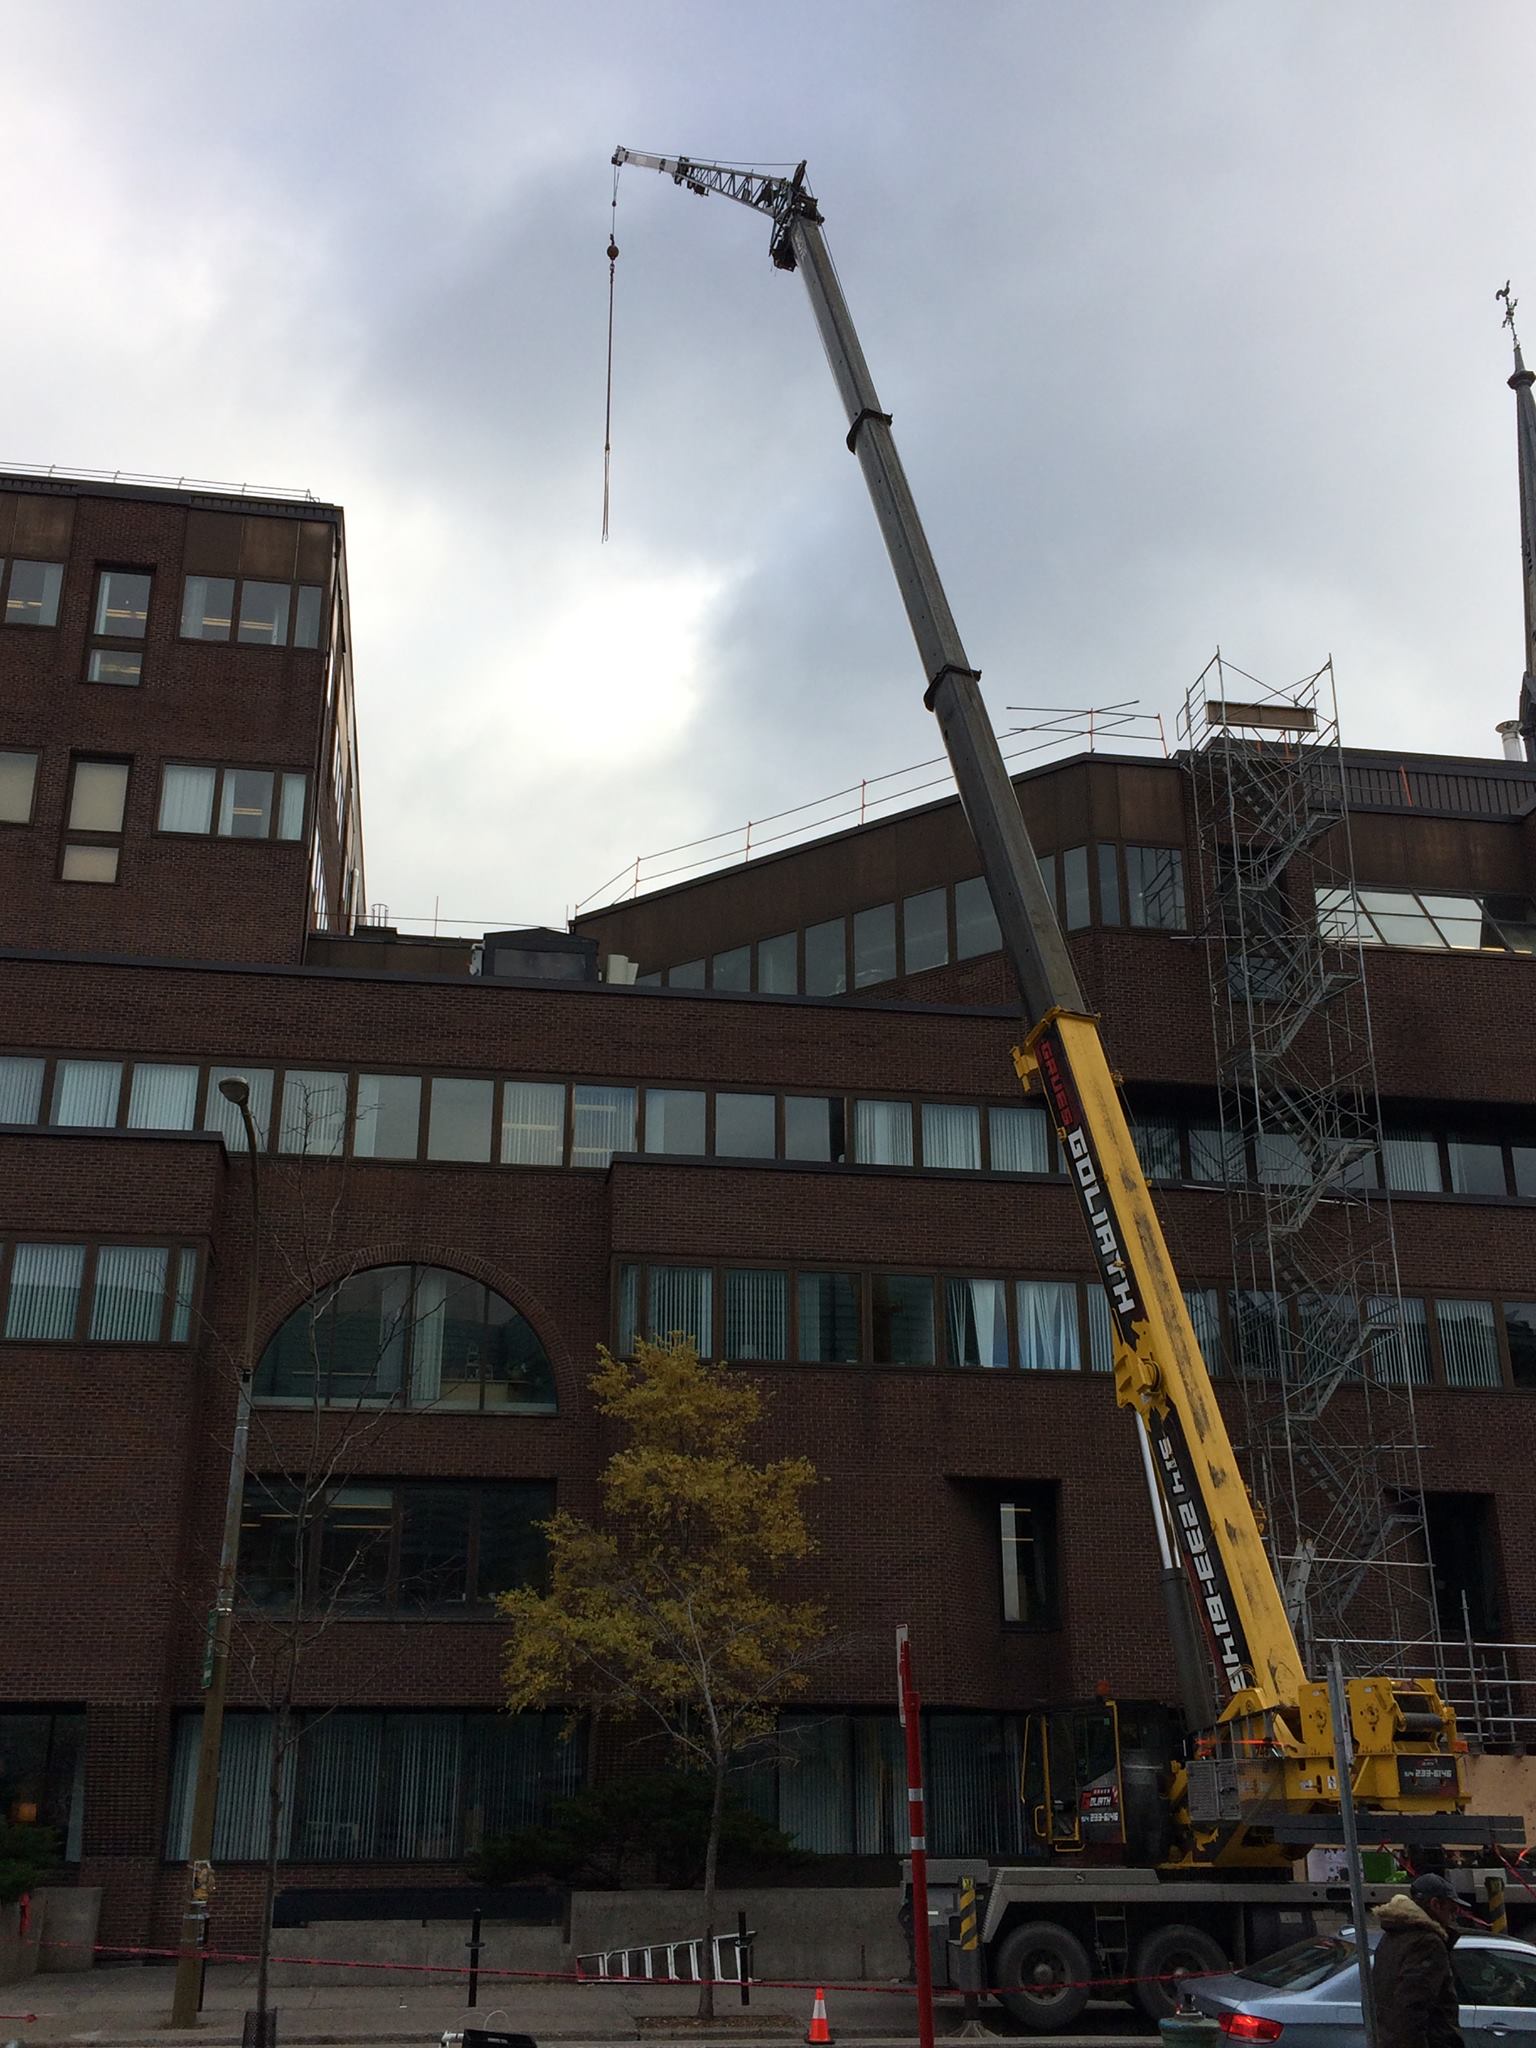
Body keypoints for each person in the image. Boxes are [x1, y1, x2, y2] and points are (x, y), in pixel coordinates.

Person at [1372, 1871, 1465, 2048]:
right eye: (1452, 1909)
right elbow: (1412, 2007)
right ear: (1435, 1904)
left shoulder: (1393, 1935)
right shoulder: (1427, 1942)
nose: (1454, 1917)